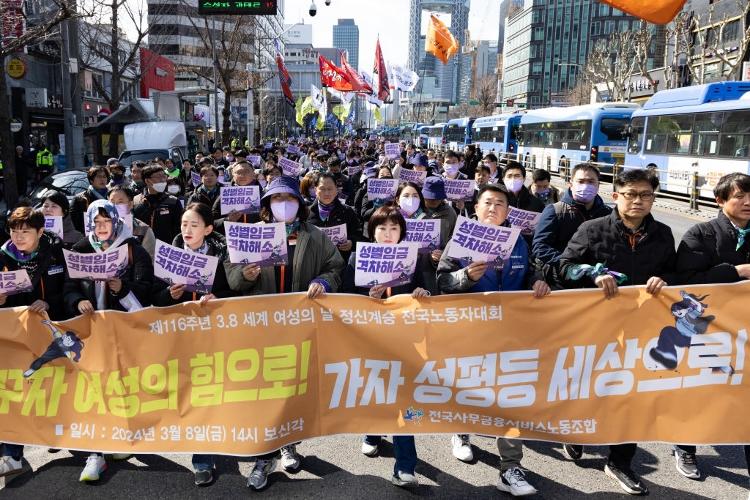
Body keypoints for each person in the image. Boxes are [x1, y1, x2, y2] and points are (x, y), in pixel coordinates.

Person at [558, 168, 676, 496]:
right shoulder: (591, 230)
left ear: (654, 198)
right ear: (616, 196)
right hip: (593, 328)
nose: (638, 201)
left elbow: (675, 274)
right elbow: (565, 267)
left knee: (633, 395)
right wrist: (591, 275)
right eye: (631, 194)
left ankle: (620, 461)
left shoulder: (664, 234)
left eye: (646, 195)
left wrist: (665, 280)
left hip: (642, 331)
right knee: (588, 387)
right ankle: (576, 432)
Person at [224, 176, 344, 491]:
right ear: (267, 205)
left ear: (299, 204)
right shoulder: (250, 236)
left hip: (299, 329)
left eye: (288, 199)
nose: (283, 205)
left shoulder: (314, 237)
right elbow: (233, 279)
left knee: (294, 390)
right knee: (264, 395)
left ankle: (290, 443)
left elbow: (336, 267)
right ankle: (264, 459)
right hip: (261, 331)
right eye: (276, 200)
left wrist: (325, 282)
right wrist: (245, 275)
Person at [436, 183, 549, 497]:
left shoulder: (520, 243)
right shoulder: (461, 239)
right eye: (487, 202)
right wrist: (465, 278)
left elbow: (531, 273)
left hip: (511, 334)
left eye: (500, 203)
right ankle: (462, 433)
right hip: (469, 332)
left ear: (508, 211)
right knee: (468, 388)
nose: (493, 208)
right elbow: (442, 280)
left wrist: (538, 280)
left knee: (510, 398)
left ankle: (510, 467)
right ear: (476, 207)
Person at [63, 200, 153, 481]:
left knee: (122, 385)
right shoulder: (80, 249)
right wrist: (77, 301)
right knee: (92, 389)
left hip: (123, 331)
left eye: (106, 221)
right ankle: (96, 453)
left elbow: (147, 290)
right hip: (89, 332)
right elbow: (67, 287)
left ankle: (121, 436)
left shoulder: (132, 249)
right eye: (96, 222)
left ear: (116, 221)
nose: (101, 228)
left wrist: (121, 286)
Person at [342, 204, 429, 488]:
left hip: (405, 343)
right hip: (370, 342)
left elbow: (429, 292)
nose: (388, 234)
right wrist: (368, 296)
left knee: (404, 400)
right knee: (375, 392)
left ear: (402, 232)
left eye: (394, 228)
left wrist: (422, 292)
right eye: (382, 228)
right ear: (372, 231)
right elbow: (343, 299)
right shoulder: (357, 258)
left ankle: (405, 466)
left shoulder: (413, 259)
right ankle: (372, 433)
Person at [151, 202, 236, 487]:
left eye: (194, 225)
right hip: (181, 337)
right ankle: (201, 460)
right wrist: (169, 293)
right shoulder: (168, 254)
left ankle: (223, 444)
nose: (187, 230)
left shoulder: (223, 254)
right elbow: (155, 298)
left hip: (215, 335)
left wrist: (215, 297)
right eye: (184, 224)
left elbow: (231, 292)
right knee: (195, 395)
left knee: (218, 393)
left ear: (208, 229)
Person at [674, 172, 750, 481]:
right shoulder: (700, 234)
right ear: (720, 201)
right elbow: (686, 281)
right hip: (707, 330)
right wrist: (735, 272)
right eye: (739, 197)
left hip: (746, 330)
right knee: (699, 392)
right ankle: (685, 446)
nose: (748, 203)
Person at [0, 206, 69, 481]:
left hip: (51, 333)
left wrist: (50, 302)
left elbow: (69, 288)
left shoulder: (57, 252)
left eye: (25, 231)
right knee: (14, 391)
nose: (18, 236)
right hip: (14, 337)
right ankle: (12, 454)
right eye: (14, 231)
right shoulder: (2, 257)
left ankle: (68, 435)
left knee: (56, 388)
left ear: (41, 232)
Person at [532, 163, 611, 289]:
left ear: (598, 185)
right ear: (571, 183)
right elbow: (540, 246)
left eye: (591, 181)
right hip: (561, 282)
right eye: (581, 181)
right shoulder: (554, 210)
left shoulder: (608, 213)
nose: (586, 185)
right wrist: (568, 264)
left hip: (598, 283)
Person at [308, 172, 361, 263]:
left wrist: (351, 242)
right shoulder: (306, 213)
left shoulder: (347, 211)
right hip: (313, 264)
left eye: (330, 189)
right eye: (322, 189)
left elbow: (359, 235)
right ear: (316, 190)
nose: (327, 193)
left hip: (340, 264)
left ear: (336, 190)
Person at [422, 176, 457, 295]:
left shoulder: (450, 213)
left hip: (440, 265)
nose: (434, 200)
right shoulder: (415, 210)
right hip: (418, 265)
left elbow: (454, 239)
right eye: (430, 197)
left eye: (438, 197)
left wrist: (445, 253)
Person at [133, 165, 184, 245]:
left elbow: (179, 229)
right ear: (147, 181)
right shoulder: (136, 201)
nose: (163, 180)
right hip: (143, 249)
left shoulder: (173, 201)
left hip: (166, 250)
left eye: (164, 176)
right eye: (158, 177)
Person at [211, 160, 261, 233]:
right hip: (232, 240)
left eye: (246, 171)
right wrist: (227, 220)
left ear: (254, 174)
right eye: (238, 172)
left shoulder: (264, 195)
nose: (242, 175)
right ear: (233, 176)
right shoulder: (224, 196)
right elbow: (212, 222)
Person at [108, 186, 156, 259]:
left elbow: (149, 259)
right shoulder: (101, 228)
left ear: (130, 204)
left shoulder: (143, 230)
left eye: (120, 202)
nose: (115, 206)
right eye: (112, 202)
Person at [71, 166, 111, 234]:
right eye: (98, 177)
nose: (102, 179)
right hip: (88, 238)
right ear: (91, 180)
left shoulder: (112, 197)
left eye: (104, 177)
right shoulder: (80, 199)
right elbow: (75, 224)